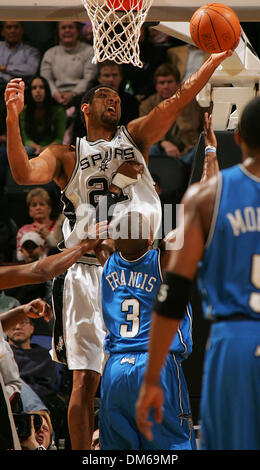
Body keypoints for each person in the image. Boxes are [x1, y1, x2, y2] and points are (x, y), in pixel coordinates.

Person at [5, 48, 232, 449]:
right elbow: (23, 173)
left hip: (141, 260)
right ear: (86, 108)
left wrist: (212, 62)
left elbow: (174, 100)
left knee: (139, 363)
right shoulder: (65, 155)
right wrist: (12, 114)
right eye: (105, 96)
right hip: (90, 265)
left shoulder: (137, 136)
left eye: (118, 97)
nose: (115, 100)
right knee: (86, 379)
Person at [136, 97, 260, 450]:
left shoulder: (206, 197)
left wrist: (151, 378)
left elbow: (173, 293)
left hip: (234, 343)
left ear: (238, 138)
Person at [98, 211, 195, 450]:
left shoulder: (106, 260)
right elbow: (189, 226)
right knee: (171, 444)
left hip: (115, 370)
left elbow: (99, 230)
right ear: (150, 238)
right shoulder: (161, 262)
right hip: (155, 365)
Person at [139, 63, 210, 167]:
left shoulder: (192, 100)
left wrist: (200, 140)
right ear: (156, 86)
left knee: (202, 151)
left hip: (189, 149)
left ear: (177, 83)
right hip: (160, 150)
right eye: (161, 83)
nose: (166, 86)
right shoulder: (147, 105)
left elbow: (207, 122)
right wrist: (163, 143)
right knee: (150, 151)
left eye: (169, 82)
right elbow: (144, 132)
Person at [40, 21, 97, 110]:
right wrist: (55, 94)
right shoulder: (50, 53)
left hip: (81, 98)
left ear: (78, 31)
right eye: (63, 28)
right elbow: (46, 78)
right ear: (58, 32)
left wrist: (73, 93)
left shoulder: (89, 51)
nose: (67, 30)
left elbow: (89, 78)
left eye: (71, 27)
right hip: (54, 98)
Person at [19, 75, 67, 157]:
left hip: (51, 148)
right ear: (30, 91)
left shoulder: (58, 111)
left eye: (41, 87)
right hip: (31, 148)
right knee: (23, 152)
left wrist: (45, 149)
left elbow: (59, 139)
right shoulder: (24, 111)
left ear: (47, 90)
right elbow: (25, 138)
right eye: (34, 88)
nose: (38, 91)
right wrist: (37, 147)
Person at [16, 187, 63, 262]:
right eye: (34, 205)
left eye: (42, 204)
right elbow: (19, 256)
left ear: (49, 208)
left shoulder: (60, 226)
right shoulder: (23, 230)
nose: (38, 208)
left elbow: (63, 251)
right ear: (30, 210)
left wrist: (47, 236)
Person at [0, 21, 40, 93]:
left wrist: (5, 69)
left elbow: (31, 70)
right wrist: (10, 78)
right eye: (9, 27)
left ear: (22, 30)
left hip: (23, 92)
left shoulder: (31, 51)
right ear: (2, 31)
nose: (13, 30)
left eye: (16, 27)